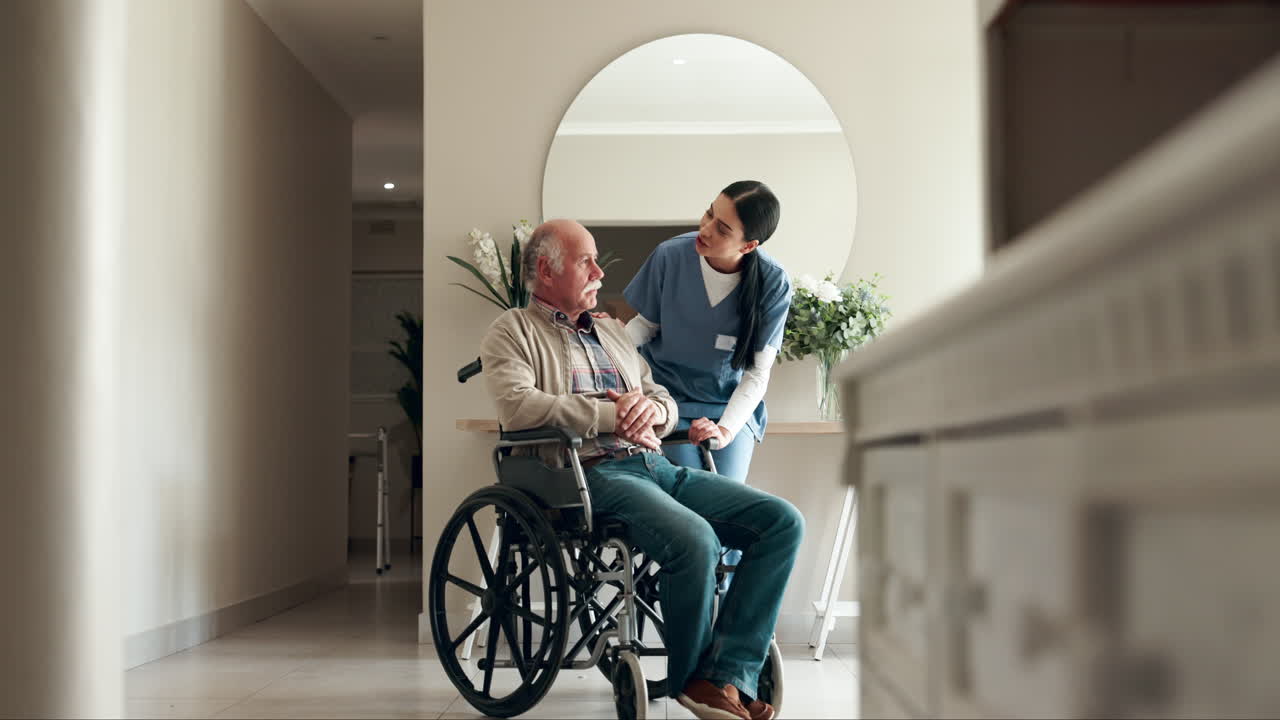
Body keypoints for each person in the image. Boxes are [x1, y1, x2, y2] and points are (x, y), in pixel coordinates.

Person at [480, 219, 803, 720]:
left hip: (653, 463)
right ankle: (695, 684)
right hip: (585, 474)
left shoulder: (611, 331)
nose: (599, 274)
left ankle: (726, 673)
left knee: (782, 522)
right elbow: (519, 407)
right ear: (546, 269)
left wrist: (652, 412)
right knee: (695, 539)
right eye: (586, 261)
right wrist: (611, 414)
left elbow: (659, 396)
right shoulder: (512, 331)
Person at [621, 180, 792, 585]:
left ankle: (725, 627)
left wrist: (726, 430)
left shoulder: (772, 283)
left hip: (726, 410)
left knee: (734, 514)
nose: (707, 228)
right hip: (666, 402)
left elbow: (757, 372)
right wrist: (603, 359)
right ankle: (683, 610)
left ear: (748, 246)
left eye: (723, 228)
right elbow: (643, 327)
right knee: (685, 510)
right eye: (709, 213)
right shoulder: (670, 256)